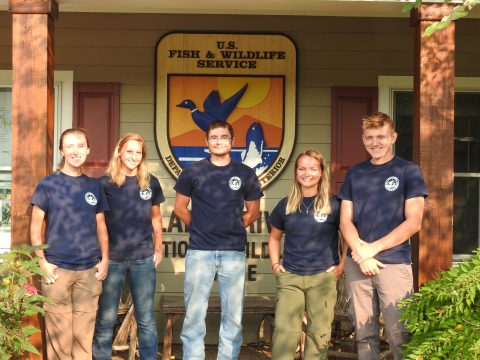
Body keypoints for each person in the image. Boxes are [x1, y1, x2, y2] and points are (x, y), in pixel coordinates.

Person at [338, 112, 428, 360]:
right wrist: (361, 254)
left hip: (395, 262)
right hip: (358, 263)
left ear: (393, 137)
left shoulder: (408, 171)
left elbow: (414, 222)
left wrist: (372, 249)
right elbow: (345, 219)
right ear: (363, 139)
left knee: (400, 333)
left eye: (381, 137)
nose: (375, 142)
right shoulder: (355, 173)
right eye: (369, 137)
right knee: (364, 335)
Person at [173, 120, 263, 360]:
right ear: (206, 141)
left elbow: (253, 212)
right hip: (200, 251)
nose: (219, 141)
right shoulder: (193, 171)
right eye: (214, 137)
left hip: (233, 252)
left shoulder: (245, 172)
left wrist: (232, 226)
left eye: (224, 137)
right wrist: (202, 226)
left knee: (232, 316)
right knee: (194, 315)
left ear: (232, 142)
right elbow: (180, 208)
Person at [30, 128, 109, 360]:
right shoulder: (47, 185)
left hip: (89, 271)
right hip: (57, 270)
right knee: (59, 340)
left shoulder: (95, 186)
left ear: (88, 149)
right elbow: (35, 228)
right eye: (70, 146)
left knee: (84, 338)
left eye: (80, 146)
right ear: (62, 151)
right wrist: (42, 263)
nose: (76, 151)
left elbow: (101, 226)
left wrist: (104, 260)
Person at [268, 149, 347, 360]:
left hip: (323, 277)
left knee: (319, 335)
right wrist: (276, 266)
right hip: (290, 277)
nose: (307, 173)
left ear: (321, 173)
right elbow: (274, 238)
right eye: (302, 168)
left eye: (313, 169)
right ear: (296, 172)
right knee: (284, 334)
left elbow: (349, 237)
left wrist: (342, 266)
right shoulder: (285, 205)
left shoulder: (334, 204)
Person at [93, 133, 165, 360]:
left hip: (143, 258)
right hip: (112, 259)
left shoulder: (150, 182)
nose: (134, 156)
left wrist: (159, 247)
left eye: (138, 152)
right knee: (106, 316)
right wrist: (101, 256)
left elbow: (156, 219)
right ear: (120, 152)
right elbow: (99, 222)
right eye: (130, 151)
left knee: (145, 318)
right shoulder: (104, 183)